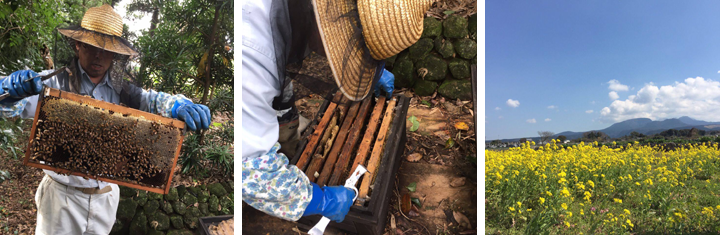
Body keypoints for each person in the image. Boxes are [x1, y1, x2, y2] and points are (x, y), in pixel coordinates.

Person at [0, 5, 211, 234]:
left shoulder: (124, 91)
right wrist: (10, 90)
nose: (99, 55)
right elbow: (12, 106)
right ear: (78, 45)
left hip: (106, 198)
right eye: (92, 46)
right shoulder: (53, 83)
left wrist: (180, 105)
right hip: (61, 198)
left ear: (115, 55)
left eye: (106, 49)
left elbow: (154, 101)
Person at [241, 0, 431, 224]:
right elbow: (250, 170)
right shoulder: (251, 56)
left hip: (271, 86)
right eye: (354, 48)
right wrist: (318, 201)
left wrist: (370, 72)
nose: (348, 56)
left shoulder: (288, 19)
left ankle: (288, 142)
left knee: (284, 109)